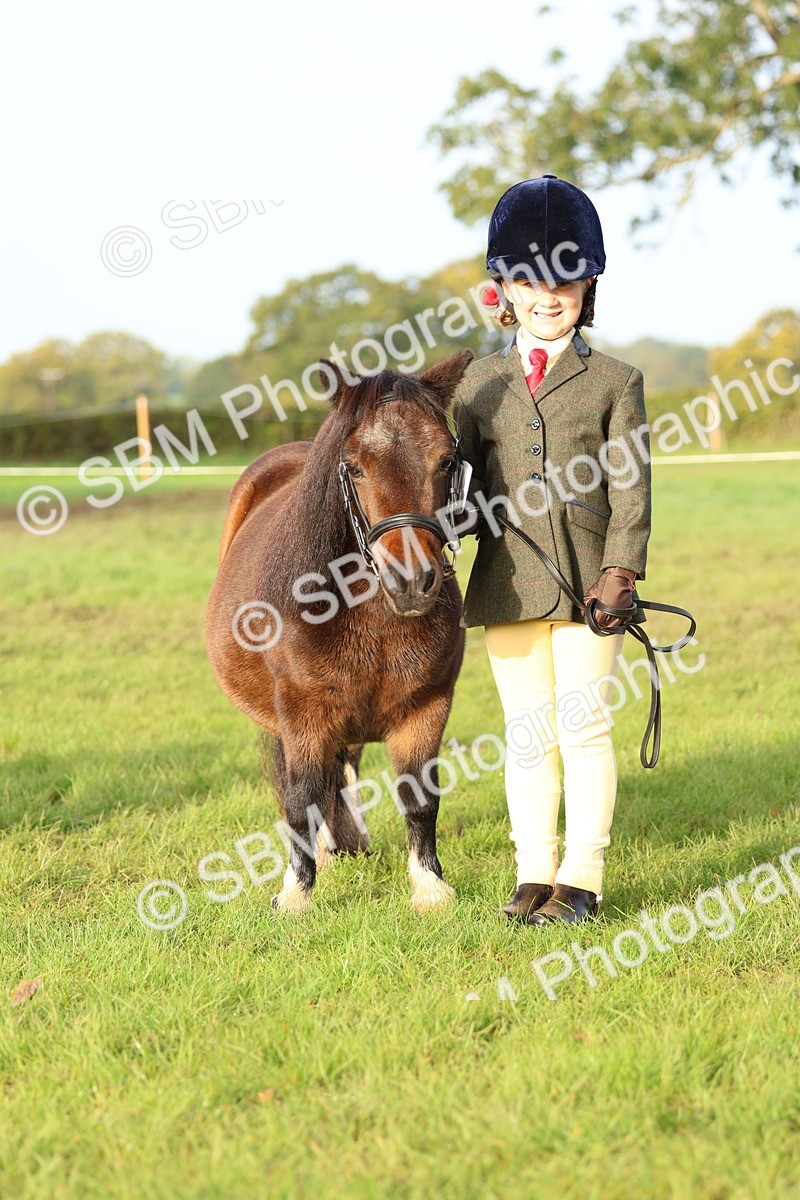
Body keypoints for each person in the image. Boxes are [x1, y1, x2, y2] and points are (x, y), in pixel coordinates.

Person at [452, 174, 652, 925]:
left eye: (565, 282)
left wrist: (619, 572)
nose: (547, 297)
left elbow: (631, 490)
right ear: (503, 288)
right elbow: (457, 483)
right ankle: (532, 872)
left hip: (587, 587)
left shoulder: (614, 381)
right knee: (526, 732)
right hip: (507, 582)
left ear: (588, 286)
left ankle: (583, 878)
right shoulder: (478, 384)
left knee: (584, 725)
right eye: (530, 281)